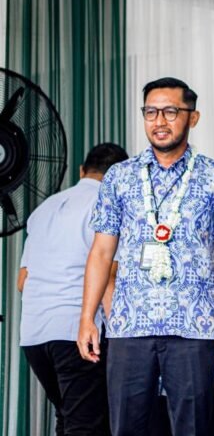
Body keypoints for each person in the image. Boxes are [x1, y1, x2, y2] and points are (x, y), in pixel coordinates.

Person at [77, 77, 214, 435]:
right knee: (126, 427)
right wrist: (87, 317)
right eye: (151, 112)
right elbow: (102, 252)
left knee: (194, 427)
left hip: (193, 326)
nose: (159, 121)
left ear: (193, 117)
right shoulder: (119, 177)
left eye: (171, 111)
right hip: (129, 325)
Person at [19, 143, 128, 436]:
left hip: (34, 333)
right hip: (76, 332)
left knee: (68, 417)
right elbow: (109, 277)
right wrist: (122, 340)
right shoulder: (108, 205)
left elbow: (22, 280)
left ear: (82, 171)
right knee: (87, 425)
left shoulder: (44, 208)